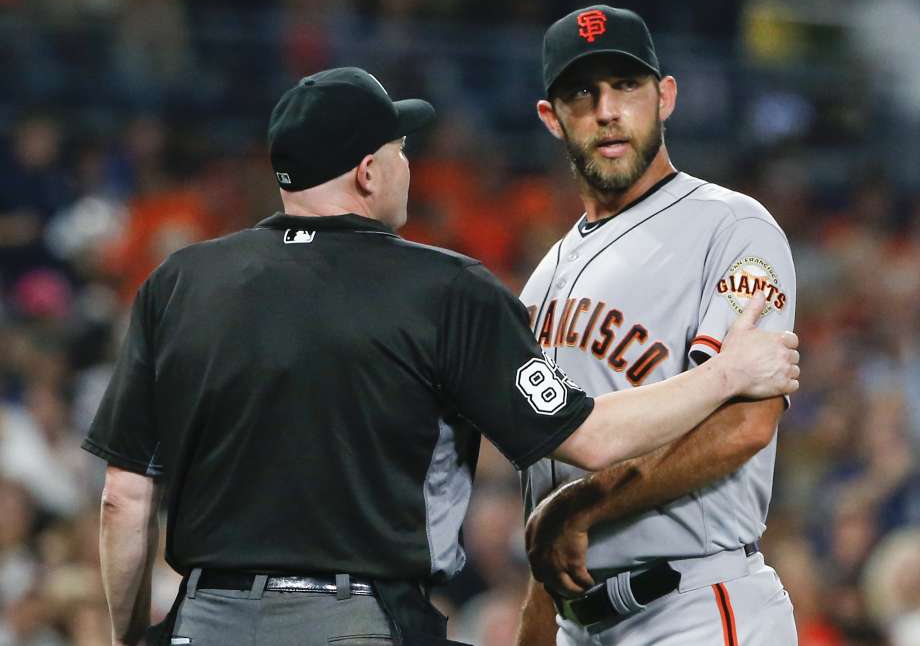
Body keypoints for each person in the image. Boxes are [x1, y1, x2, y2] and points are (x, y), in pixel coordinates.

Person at [81, 67, 798, 646]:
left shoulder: (179, 282)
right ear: (368, 173)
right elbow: (590, 436)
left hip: (205, 619)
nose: (408, 164)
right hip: (357, 620)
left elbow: (124, 498)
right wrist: (732, 372)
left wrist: (130, 634)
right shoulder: (446, 288)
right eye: (401, 148)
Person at [515, 5, 800, 646]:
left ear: (664, 97)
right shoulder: (540, 281)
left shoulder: (730, 227)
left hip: (694, 606)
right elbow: (544, 508)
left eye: (627, 86)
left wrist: (587, 505)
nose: (607, 110)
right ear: (550, 117)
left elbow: (743, 424)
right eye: (581, 92)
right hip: (578, 620)